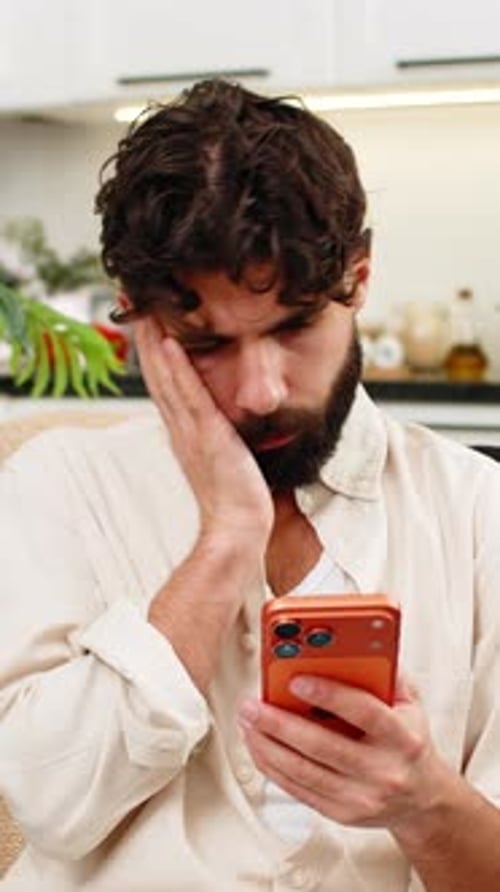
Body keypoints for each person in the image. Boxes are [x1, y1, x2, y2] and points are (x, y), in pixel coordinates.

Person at [0, 79, 499, 892]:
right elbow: (50, 805)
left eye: (295, 326)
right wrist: (227, 537)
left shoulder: (478, 512)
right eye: (205, 344)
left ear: (359, 281)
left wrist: (424, 806)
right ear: (137, 320)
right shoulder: (55, 487)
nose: (261, 391)